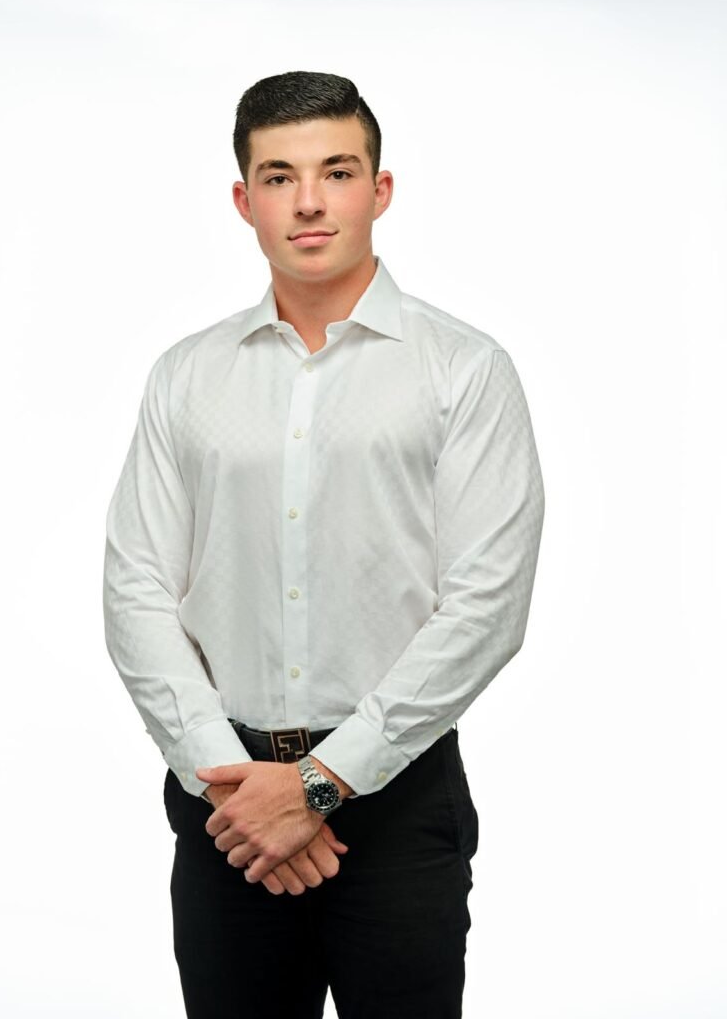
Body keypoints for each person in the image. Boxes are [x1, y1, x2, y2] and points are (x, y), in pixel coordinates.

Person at [102, 70, 545, 1019]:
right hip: (224, 802)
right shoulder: (186, 377)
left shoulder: (464, 371)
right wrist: (233, 787)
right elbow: (136, 588)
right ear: (245, 200)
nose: (308, 201)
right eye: (279, 177)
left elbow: (488, 605)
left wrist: (318, 784)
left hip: (398, 798)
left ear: (379, 191)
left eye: (337, 172)